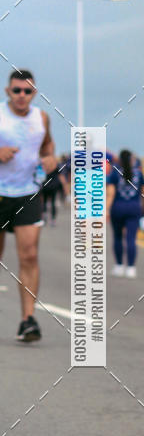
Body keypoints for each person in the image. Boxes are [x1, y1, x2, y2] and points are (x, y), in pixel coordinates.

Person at [0, 69, 57, 341]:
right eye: (16, 90)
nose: (22, 96)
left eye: (27, 91)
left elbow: (47, 146)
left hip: (28, 193)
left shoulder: (41, 118)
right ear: (7, 91)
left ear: (34, 93)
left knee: (29, 255)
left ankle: (28, 320)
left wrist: (50, 158)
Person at [106, 149, 144, 278]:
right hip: (134, 208)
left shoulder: (115, 173)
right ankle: (131, 268)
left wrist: (106, 209)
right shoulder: (139, 174)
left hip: (117, 208)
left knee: (118, 237)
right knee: (131, 238)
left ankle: (119, 266)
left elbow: (111, 193)